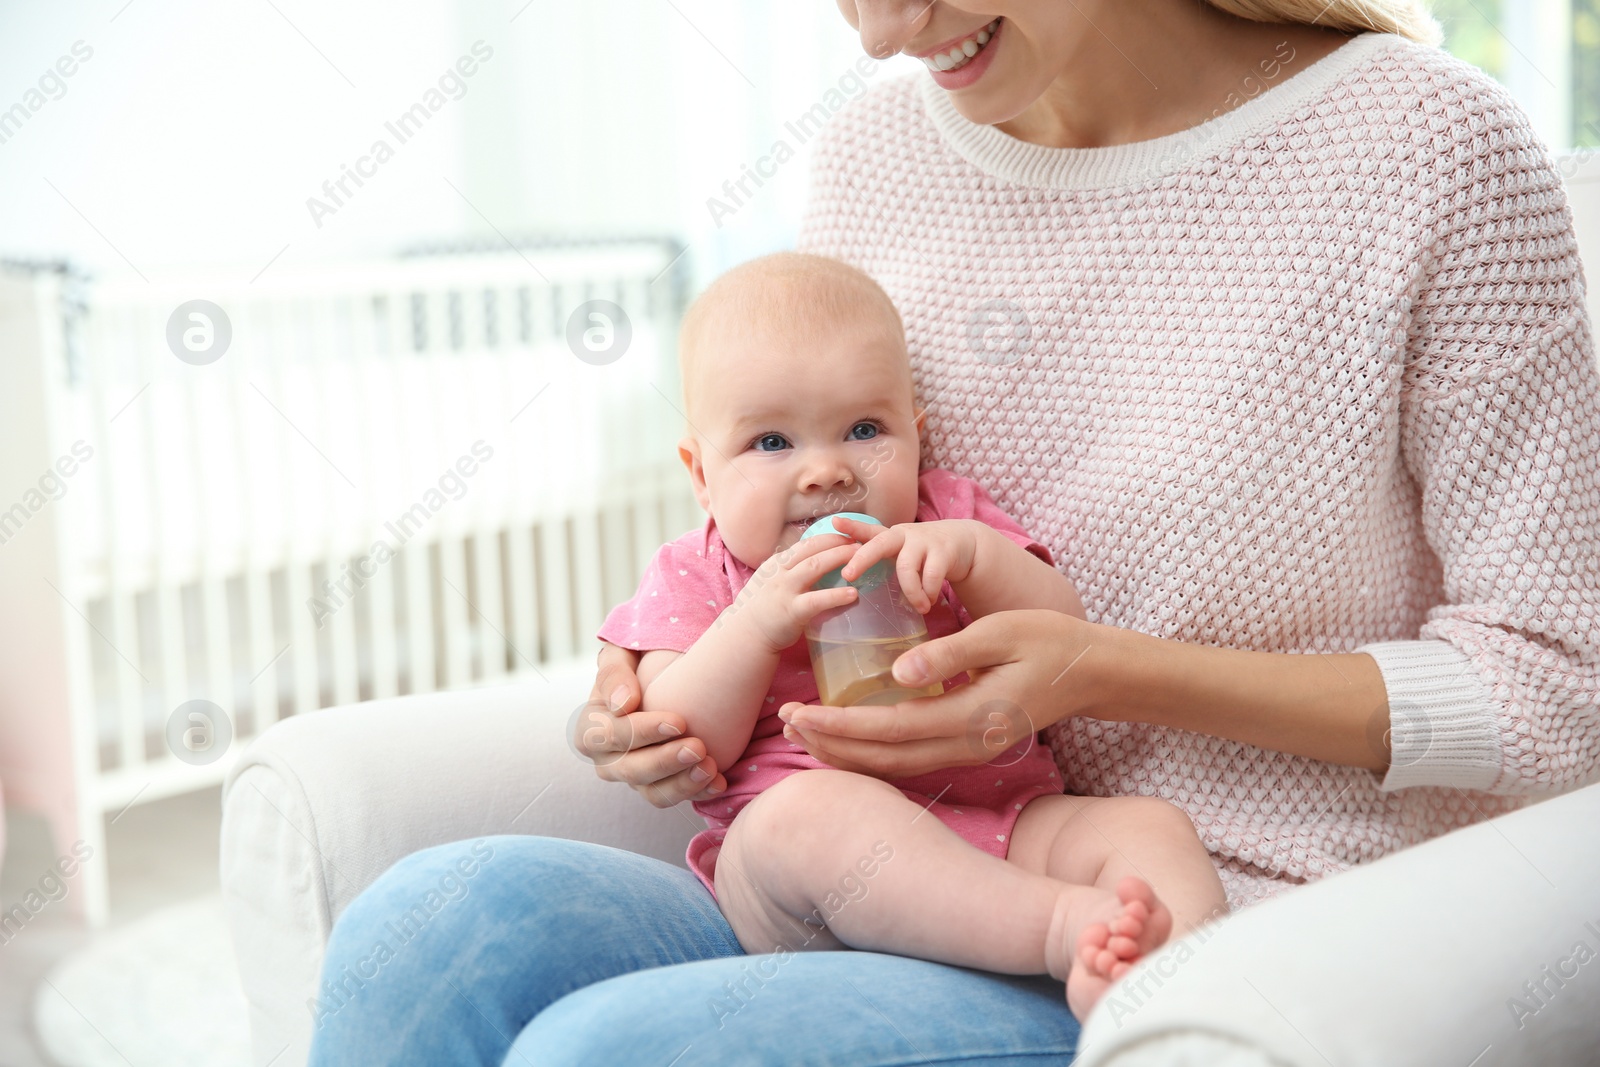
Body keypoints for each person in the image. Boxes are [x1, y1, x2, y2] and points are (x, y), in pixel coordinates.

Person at [306, 1, 1600, 1063]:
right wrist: (661, 670)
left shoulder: (1428, 151)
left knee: (606, 1049)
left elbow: (1564, 682)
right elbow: (795, 472)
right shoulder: (881, 151)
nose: (881, 33)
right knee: (422, 925)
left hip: (1222, 898)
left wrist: (1100, 667)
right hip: (866, 859)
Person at [593, 250, 1229, 1020]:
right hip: (809, 882)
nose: (825, 471)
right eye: (771, 443)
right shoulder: (701, 571)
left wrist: (977, 556)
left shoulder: (942, 521)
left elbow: (1065, 631)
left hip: (999, 822)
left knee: (1147, 826)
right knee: (808, 819)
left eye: (864, 429)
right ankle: (1062, 925)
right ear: (702, 475)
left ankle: (1173, 997)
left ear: (916, 439)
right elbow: (684, 737)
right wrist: (754, 625)